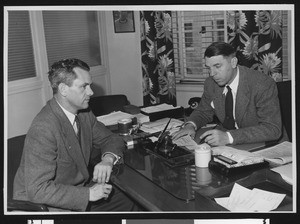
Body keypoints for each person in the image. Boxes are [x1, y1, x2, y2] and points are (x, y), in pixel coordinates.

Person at [13, 58, 139, 212]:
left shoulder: (84, 113)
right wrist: (88, 194)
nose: (91, 92)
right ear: (63, 89)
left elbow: (111, 138)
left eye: (90, 86)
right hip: (44, 205)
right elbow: (37, 190)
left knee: (130, 199)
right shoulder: (44, 127)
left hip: (72, 191)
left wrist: (108, 159)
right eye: (84, 87)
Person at [172, 42, 284, 146]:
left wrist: (228, 137)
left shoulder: (262, 84)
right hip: (231, 146)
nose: (212, 74)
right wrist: (190, 125)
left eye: (217, 66)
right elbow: (203, 111)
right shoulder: (211, 83)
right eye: (209, 68)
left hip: (265, 145)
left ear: (233, 62)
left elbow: (272, 129)